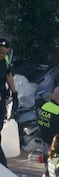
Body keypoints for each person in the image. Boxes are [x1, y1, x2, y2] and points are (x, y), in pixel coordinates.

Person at [0, 38, 18, 167]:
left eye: (5, 53)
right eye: (1, 53)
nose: (3, 55)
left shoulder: (5, 60)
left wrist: (14, 93)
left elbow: (8, 74)